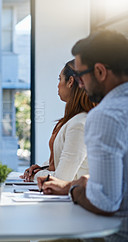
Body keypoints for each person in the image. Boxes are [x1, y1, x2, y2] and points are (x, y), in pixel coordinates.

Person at [38, 30, 128, 241]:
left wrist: (74, 190)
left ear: (99, 72)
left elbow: (104, 203)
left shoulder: (105, 115)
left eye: (80, 76)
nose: (79, 84)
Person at [21, 60, 95, 182]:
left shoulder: (79, 124)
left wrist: (36, 175)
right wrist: (43, 169)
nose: (58, 85)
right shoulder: (71, 120)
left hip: (69, 199)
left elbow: (61, 179)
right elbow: (62, 162)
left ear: (70, 81)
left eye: (60, 79)